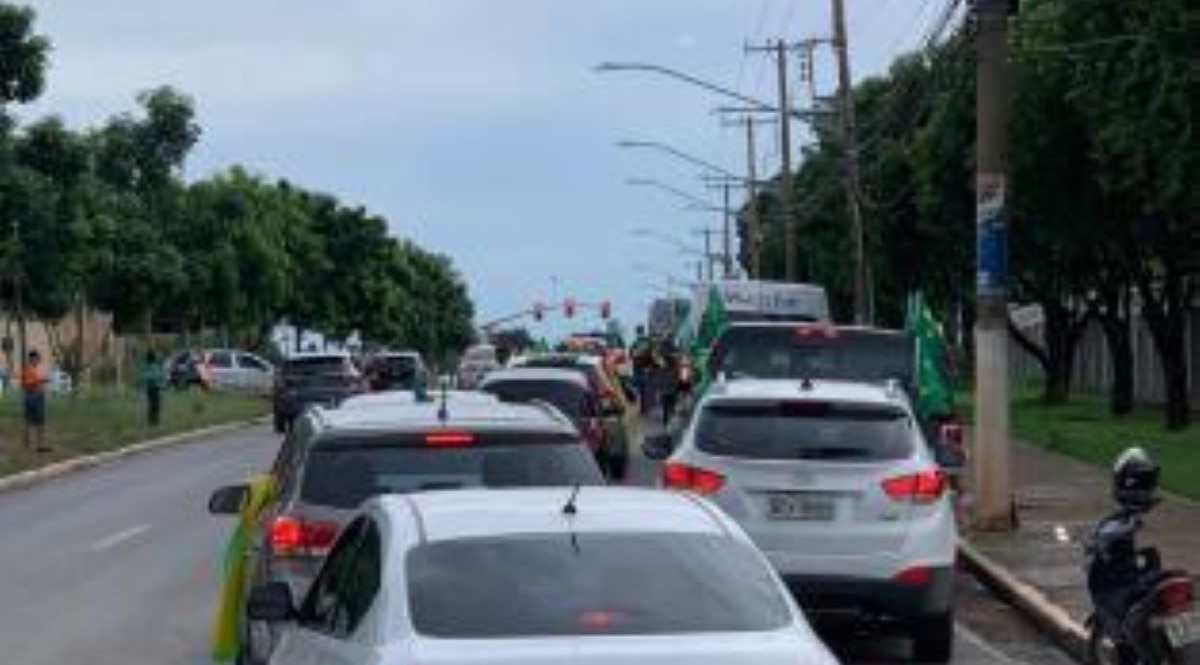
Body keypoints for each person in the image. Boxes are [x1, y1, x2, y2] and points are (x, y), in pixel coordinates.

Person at [21, 349, 50, 453]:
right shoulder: (28, 369)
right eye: (36, 358)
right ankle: (31, 445)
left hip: (38, 397)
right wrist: (41, 380)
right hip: (32, 398)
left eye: (38, 358)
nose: (38, 360)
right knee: (31, 422)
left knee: (40, 422)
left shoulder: (35, 369)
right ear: (32, 358)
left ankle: (40, 445)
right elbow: (27, 384)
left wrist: (42, 381)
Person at [140, 350, 167, 426]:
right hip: (155, 387)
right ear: (154, 358)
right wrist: (163, 384)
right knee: (156, 405)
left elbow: (144, 377)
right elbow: (160, 376)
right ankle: (155, 421)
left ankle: (151, 420)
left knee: (151, 404)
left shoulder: (146, 367)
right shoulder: (155, 367)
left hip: (150, 388)